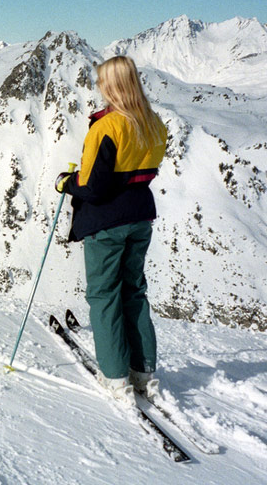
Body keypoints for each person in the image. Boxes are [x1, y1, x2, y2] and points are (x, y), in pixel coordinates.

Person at [55, 56, 168, 403]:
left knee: (104, 296)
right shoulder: (153, 123)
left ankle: (115, 377)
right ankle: (143, 371)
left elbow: (92, 186)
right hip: (140, 218)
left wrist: (65, 183)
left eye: (103, 82)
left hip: (107, 223)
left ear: (111, 85)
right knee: (133, 291)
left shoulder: (105, 128)